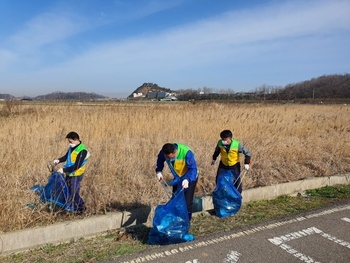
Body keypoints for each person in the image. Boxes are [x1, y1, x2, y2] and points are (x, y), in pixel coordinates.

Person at [156, 143, 198, 221]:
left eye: (171, 157)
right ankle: (176, 222)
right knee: (175, 200)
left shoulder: (186, 152)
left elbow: (193, 169)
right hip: (178, 179)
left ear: (175, 152)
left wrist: (187, 180)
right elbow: (160, 160)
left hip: (189, 178)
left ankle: (186, 223)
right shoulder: (164, 152)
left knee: (187, 203)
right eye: (167, 158)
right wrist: (159, 171)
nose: (169, 159)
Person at [53, 131, 90, 213]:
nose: (70, 144)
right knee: (66, 191)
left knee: (74, 192)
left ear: (76, 139)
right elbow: (66, 156)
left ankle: (82, 208)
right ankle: (67, 208)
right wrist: (58, 160)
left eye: (71, 142)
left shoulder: (82, 151)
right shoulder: (72, 148)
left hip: (76, 175)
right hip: (69, 173)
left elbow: (77, 166)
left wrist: (64, 170)